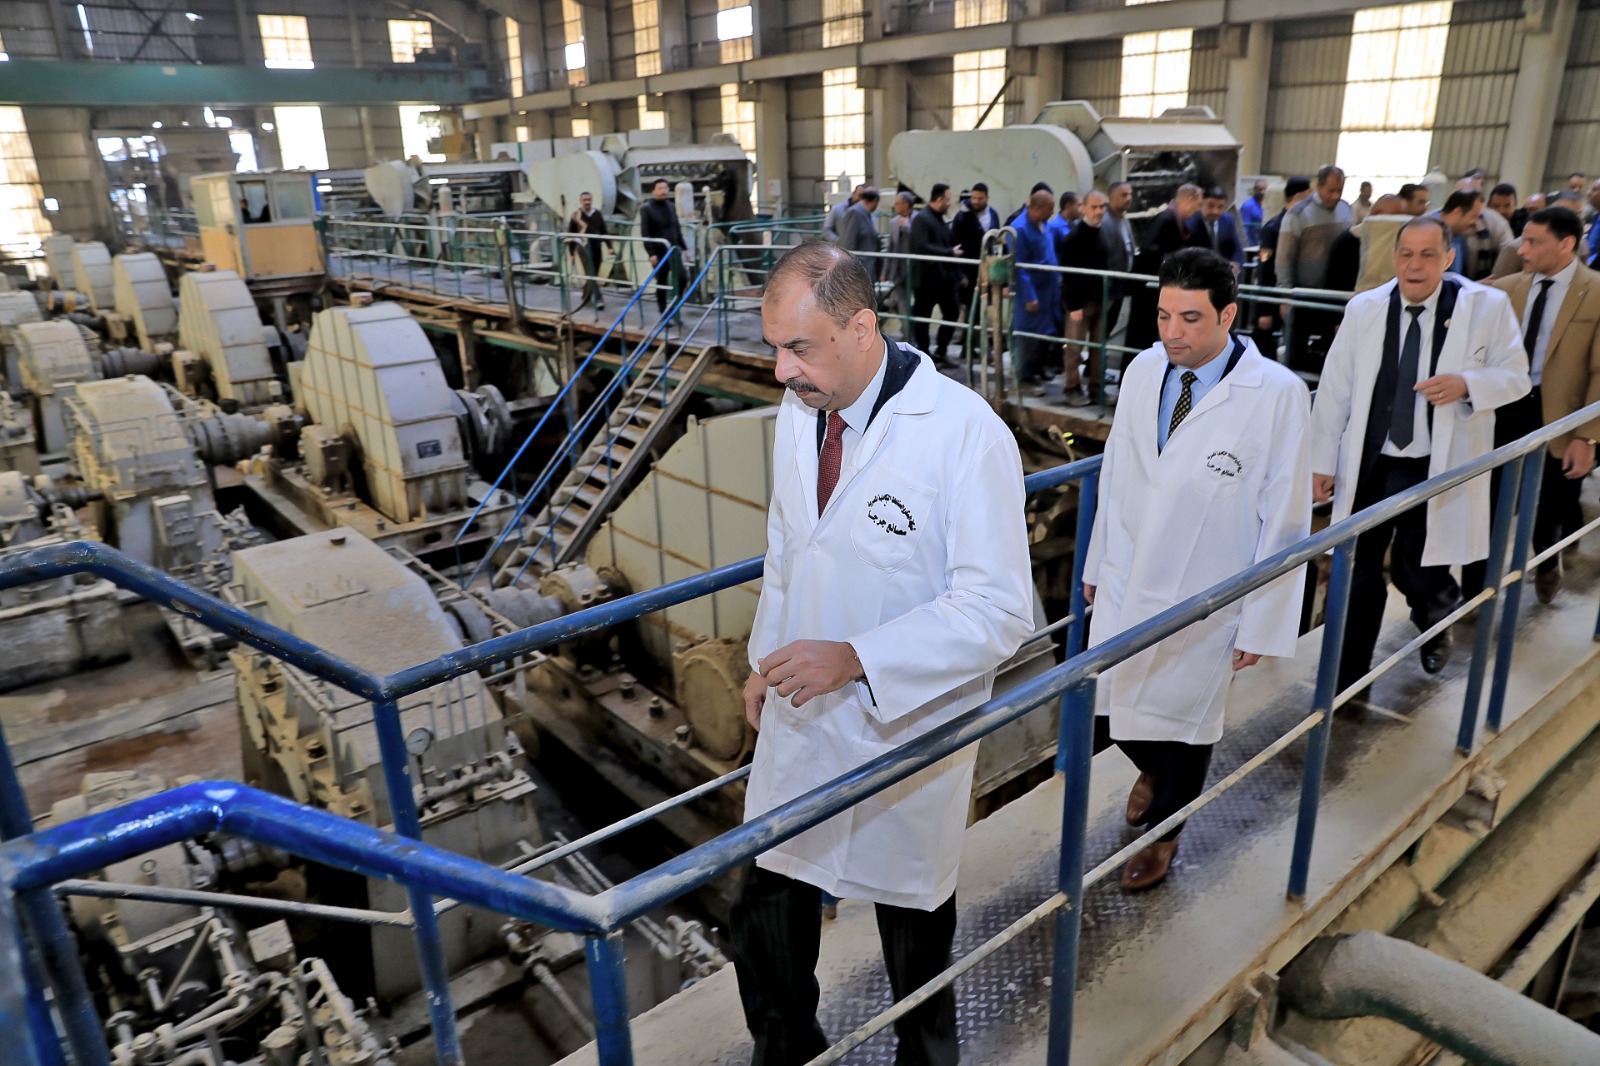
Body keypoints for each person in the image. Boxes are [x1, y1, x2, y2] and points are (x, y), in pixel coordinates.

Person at [736, 240, 1034, 1066]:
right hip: (803, 713)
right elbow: (786, 549)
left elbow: (999, 608)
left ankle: (928, 1058)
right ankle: (786, 1052)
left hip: (905, 723)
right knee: (764, 906)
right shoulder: (801, 413)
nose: (781, 371)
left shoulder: (965, 435)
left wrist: (859, 657)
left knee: (913, 931)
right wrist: (764, 657)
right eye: (774, 348)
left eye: (799, 348)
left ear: (861, 328)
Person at [1084, 247, 1311, 890]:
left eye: (1190, 318)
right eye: (1163, 315)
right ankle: (1153, 772)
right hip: (1128, 574)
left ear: (1228, 316)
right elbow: (1117, 471)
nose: (1172, 333)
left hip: (1208, 592)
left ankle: (1165, 837)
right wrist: (1098, 560)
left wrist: (1263, 622)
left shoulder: (1277, 395)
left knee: (1188, 723)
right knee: (1110, 710)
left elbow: (1286, 517)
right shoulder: (1142, 371)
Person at [1308, 216, 1529, 701]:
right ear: (1394, 258)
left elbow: (1517, 375)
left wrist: (1468, 384)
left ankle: (1437, 612)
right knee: (1358, 571)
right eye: (1406, 254)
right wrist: (1321, 461)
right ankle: (1350, 681)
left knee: (1417, 567)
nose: (1415, 264)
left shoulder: (1486, 306)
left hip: (1434, 464)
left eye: (1428, 254)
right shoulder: (1365, 309)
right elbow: (1335, 390)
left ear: (1448, 258)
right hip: (1371, 462)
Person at [1460, 207, 1600, 604]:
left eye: (1534, 242)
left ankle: (1546, 559)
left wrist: (1588, 438)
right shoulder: (1505, 290)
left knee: (1550, 502)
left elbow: (1599, 371)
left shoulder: (1596, 292)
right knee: (1485, 499)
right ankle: (1474, 591)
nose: (1522, 250)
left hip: (1561, 416)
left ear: (1566, 244)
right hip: (1506, 406)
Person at [1277, 165, 1352, 371]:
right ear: (1318, 186)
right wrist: (1285, 296)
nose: (1336, 196)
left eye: (1340, 190)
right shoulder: (1298, 214)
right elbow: (1284, 258)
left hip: (1335, 295)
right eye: (1331, 190)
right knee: (1296, 353)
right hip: (1304, 295)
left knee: (1332, 353)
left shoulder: (1346, 210)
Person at [1125, 183, 1202, 353]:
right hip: (1147, 289)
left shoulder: (1176, 221)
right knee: (1140, 334)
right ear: (1189, 200)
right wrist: (1176, 259)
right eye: (1197, 204)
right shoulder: (1165, 219)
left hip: (1158, 287)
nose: (1197, 209)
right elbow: (1149, 250)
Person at [1059, 189, 1109, 406]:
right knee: (1074, 348)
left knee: (1099, 348)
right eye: (1094, 207)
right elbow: (1069, 274)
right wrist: (1074, 306)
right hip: (1080, 303)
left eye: (1102, 207)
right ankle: (1072, 388)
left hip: (1100, 300)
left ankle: (1096, 388)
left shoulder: (1102, 232)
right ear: (1084, 208)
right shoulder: (1074, 237)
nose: (1099, 211)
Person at [1253, 176, 1311, 356]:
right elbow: (1264, 267)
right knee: (1264, 349)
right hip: (1273, 296)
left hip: (1294, 295)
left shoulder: (1303, 225)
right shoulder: (1273, 228)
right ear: (1300, 196)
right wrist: (1264, 310)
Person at [1012, 189, 1062, 390]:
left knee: (1045, 332)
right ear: (1039, 208)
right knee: (1028, 335)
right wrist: (1029, 296)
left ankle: (1038, 368)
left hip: (1048, 290)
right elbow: (1018, 266)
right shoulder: (1019, 229)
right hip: (1032, 291)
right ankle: (1024, 376)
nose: (1052, 213)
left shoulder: (1044, 224)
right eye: (1050, 209)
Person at [909, 183, 965, 365]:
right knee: (922, 318)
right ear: (939, 199)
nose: (949, 203)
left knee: (952, 312)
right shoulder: (922, 219)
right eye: (947, 199)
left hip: (943, 279)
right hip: (926, 281)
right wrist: (950, 252)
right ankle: (924, 355)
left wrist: (958, 272)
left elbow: (947, 242)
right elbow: (922, 247)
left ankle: (941, 351)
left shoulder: (938, 219)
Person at [640, 178, 689, 318]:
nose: (663, 191)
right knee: (662, 281)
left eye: (665, 188)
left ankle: (674, 305)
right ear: (653, 191)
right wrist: (651, 253)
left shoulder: (671, 206)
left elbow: (677, 228)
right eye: (660, 189)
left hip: (673, 250)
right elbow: (645, 233)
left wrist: (685, 248)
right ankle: (663, 311)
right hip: (659, 251)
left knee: (683, 278)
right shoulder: (647, 208)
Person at [1101, 181, 1137, 348]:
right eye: (1124, 195)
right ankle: (1094, 359)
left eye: (1130, 194)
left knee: (1111, 322)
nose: (1129, 198)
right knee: (1103, 324)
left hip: (1121, 281)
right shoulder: (1105, 221)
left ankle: (1097, 357)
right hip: (1109, 283)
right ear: (1112, 197)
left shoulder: (1123, 219)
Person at [566, 190, 611, 312]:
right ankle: (599, 299)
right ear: (581, 202)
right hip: (584, 248)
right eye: (585, 200)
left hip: (597, 246)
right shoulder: (576, 215)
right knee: (590, 272)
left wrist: (609, 246)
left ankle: (585, 295)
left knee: (593, 273)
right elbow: (571, 234)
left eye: (589, 200)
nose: (587, 202)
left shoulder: (597, 213)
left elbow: (604, 230)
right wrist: (571, 253)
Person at [1186, 186, 1244, 269]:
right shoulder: (1190, 222)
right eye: (1211, 206)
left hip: (1224, 270)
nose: (1215, 211)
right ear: (1202, 203)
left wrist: (1236, 265)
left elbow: (1237, 249)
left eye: (1220, 207)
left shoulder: (1228, 220)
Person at [879, 191, 917, 315]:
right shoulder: (894, 222)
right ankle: (907, 328)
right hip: (898, 271)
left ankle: (891, 303)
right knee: (903, 302)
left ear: (905, 205)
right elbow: (891, 248)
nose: (894, 206)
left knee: (915, 302)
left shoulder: (918, 218)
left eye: (897, 203)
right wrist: (885, 272)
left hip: (914, 269)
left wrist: (907, 227)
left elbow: (919, 241)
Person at [840, 187, 881, 265]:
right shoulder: (854, 212)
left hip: (868, 263)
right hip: (860, 264)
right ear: (875, 201)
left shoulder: (867, 213)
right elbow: (849, 242)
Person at [1046, 190, 1076, 266]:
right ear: (1068, 206)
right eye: (1078, 205)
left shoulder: (1077, 224)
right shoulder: (1054, 226)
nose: (1082, 209)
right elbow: (1051, 253)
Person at [1240, 178, 1268, 246]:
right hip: (1251, 245)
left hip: (1261, 243)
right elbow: (1245, 230)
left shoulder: (1264, 205)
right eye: (1260, 189)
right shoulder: (1248, 206)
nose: (1262, 192)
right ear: (1255, 189)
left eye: (1265, 189)